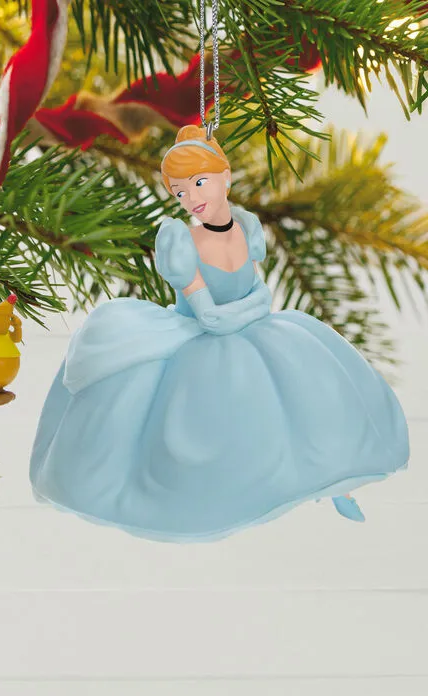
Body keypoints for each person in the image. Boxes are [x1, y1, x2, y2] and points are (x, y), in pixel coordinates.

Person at [28, 124, 410, 542]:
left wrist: (253, 309)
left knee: (314, 395)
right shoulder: (182, 242)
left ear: (225, 177)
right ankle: (213, 504)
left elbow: (260, 290)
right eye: (179, 192)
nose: (191, 198)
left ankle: (335, 484)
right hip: (205, 338)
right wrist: (249, 310)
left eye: (198, 183)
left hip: (255, 328)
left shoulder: (247, 227)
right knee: (218, 426)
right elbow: (209, 316)